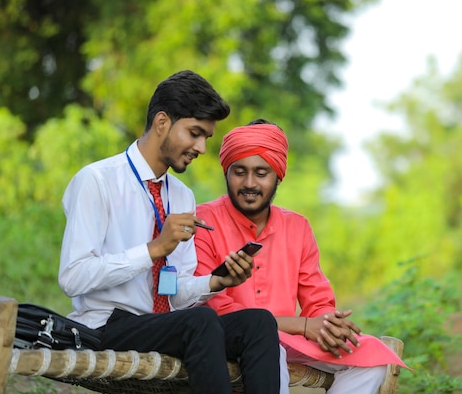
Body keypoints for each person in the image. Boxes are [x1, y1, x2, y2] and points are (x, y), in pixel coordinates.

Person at [58, 71, 280, 394]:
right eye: (195, 133)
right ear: (162, 122)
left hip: (163, 324)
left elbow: (174, 293)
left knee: (259, 323)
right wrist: (153, 249)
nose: (202, 147)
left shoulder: (180, 195)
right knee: (200, 323)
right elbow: (72, 276)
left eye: (206, 137)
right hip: (106, 324)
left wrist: (218, 281)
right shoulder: (97, 181)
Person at [194, 119, 410, 394]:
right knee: (271, 351)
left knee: (372, 358)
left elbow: (317, 299)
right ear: (226, 172)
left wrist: (328, 325)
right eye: (239, 172)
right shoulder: (204, 220)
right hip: (230, 338)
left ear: (278, 176)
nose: (249, 183)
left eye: (261, 173)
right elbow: (214, 308)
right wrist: (304, 325)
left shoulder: (297, 226)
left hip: (292, 338)